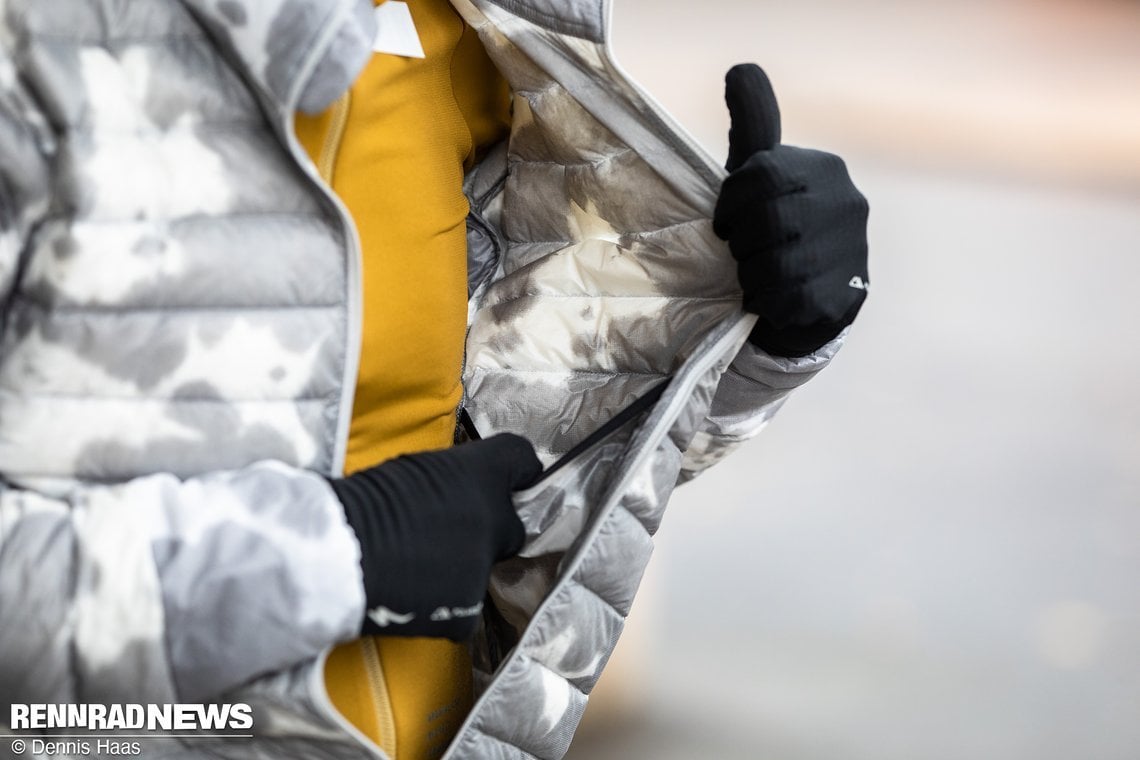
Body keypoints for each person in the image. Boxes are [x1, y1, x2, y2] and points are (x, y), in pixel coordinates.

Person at [0, 1, 867, 758]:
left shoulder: (480, 40)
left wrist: (753, 338)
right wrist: (330, 553)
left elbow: (523, 475)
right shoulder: (37, 46)